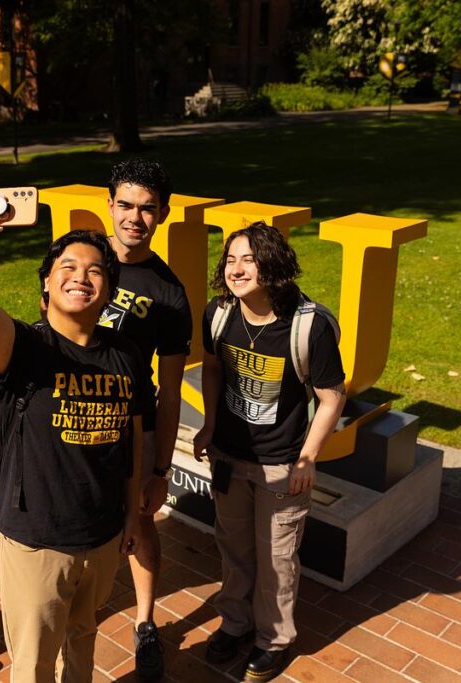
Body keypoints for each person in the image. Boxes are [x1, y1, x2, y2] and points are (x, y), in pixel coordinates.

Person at [0, 184, 148, 683]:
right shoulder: (25, 349)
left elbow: (132, 438)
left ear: (108, 292)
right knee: (33, 664)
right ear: (45, 289)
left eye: (96, 270)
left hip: (101, 537)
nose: (82, 277)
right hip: (37, 543)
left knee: (82, 642)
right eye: (68, 269)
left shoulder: (125, 356)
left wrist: (132, 513)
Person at [192, 222, 346, 682]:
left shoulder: (308, 325)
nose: (236, 270)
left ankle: (273, 640)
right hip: (229, 457)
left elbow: (333, 396)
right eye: (230, 260)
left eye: (248, 260)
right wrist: (209, 425)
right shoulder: (219, 314)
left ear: (272, 265)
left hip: (282, 466)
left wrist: (307, 458)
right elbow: (215, 370)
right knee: (234, 548)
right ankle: (235, 624)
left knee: (277, 558)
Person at [99, 158, 191, 680]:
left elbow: (172, 391)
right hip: (75, 412)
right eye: (126, 205)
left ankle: (146, 622)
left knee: (141, 521)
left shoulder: (170, 293)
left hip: (135, 426)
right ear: (109, 205)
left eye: (147, 208)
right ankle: (77, 606)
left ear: (163, 214)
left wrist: (160, 471)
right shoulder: (79, 256)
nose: (135, 217)